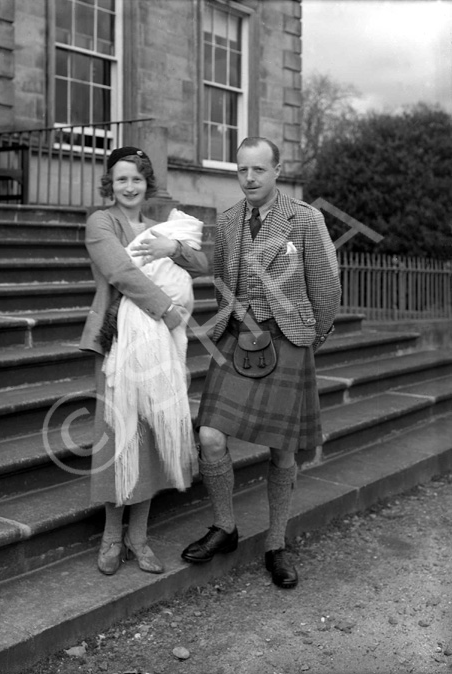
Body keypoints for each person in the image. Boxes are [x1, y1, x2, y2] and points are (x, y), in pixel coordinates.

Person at [181, 137, 341, 588]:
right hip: (237, 338)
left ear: (276, 171)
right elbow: (222, 281)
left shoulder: (305, 219)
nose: (249, 178)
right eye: (242, 170)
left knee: (283, 449)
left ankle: (276, 543)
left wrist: (309, 339)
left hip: (287, 339)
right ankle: (226, 526)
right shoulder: (229, 219)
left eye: (258, 170)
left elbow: (326, 288)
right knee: (210, 434)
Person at [80, 146, 209, 576]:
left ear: (146, 183)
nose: (129, 187)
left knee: (152, 435)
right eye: (121, 179)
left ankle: (139, 537)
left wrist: (174, 245)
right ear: (110, 184)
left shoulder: (160, 229)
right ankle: (112, 536)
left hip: (160, 344)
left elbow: (200, 262)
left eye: (136, 178)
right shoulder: (102, 223)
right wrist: (166, 308)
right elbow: (121, 272)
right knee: (118, 435)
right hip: (118, 338)